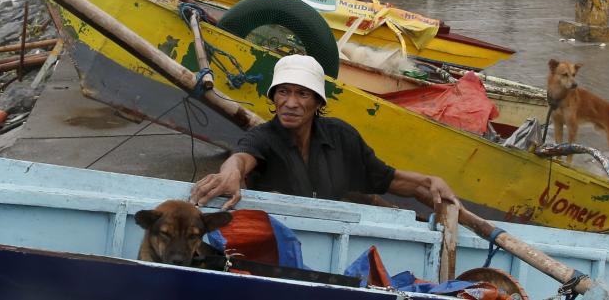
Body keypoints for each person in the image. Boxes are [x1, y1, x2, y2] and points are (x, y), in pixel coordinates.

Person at [190, 54, 458, 210]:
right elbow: (240, 159)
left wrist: (429, 182)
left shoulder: (341, 137)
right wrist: (229, 175)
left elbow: (389, 179)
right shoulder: (264, 137)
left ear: (318, 102)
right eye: (283, 92)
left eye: (302, 94)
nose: (290, 103)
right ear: (274, 97)